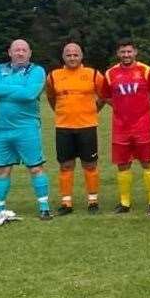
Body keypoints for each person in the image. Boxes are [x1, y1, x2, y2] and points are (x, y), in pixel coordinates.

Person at [102, 39, 150, 215]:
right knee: (122, 164)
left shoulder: (146, 71)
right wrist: (119, 108)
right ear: (118, 54)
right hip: (120, 127)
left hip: (143, 126)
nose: (126, 55)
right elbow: (105, 95)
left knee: (147, 162)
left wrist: (145, 108)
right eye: (123, 52)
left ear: (135, 52)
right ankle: (125, 202)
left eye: (129, 51)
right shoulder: (110, 73)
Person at [45, 42, 105, 214]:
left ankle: (92, 201)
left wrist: (93, 110)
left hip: (87, 126)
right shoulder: (54, 76)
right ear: (63, 57)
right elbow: (51, 97)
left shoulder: (93, 74)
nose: (72, 57)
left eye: (75, 54)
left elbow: (103, 95)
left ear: (81, 56)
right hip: (63, 127)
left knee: (90, 164)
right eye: (68, 55)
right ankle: (66, 202)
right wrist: (61, 111)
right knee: (65, 165)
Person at [0, 40, 50, 220]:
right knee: (1, 170)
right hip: (1, 130)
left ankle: (44, 208)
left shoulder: (37, 70)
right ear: (9, 52)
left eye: (23, 50)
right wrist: (19, 88)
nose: (20, 53)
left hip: (27, 129)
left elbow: (30, 94)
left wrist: (4, 91)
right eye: (16, 50)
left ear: (30, 53)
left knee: (35, 168)